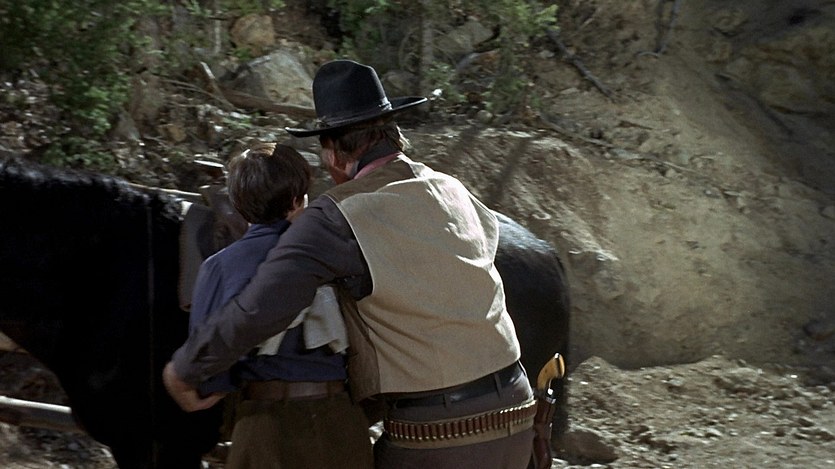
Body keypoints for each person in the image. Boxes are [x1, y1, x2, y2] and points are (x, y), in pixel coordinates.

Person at [163, 59, 537, 468]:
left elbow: (260, 307)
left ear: (334, 151)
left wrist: (186, 368)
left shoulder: (339, 214)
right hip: (518, 410)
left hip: (438, 433)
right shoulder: (450, 187)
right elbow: (488, 241)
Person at [180, 142, 373, 469]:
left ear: (239, 205)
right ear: (299, 200)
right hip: (342, 424)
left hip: (265, 428)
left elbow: (210, 375)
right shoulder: (340, 255)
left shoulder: (219, 267)